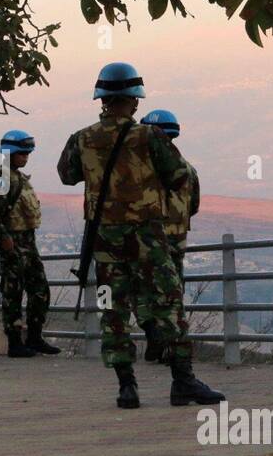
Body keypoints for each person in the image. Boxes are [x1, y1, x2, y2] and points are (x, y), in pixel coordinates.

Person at [57, 62, 225, 409]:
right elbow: (180, 175)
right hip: (150, 239)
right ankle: (183, 382)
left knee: (112, 309)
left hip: (104, 241)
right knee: (168, 304)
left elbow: (67, 175)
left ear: (101, 99)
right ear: (134, 101)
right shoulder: (150, 137)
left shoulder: (82, 138)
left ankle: (127, 387)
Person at [0, 130, 59, 358]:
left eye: (27, 153)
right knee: (12, 292)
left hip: (27, 241)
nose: (26, 157)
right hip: (12, 242)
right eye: (22, 153)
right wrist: (4, 237)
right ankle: (15, 342)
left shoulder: (18, 177)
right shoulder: (0, 177)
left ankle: (34, 337)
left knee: (40, 290)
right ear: (10, 153)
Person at [139, 110, 200, 378]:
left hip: (146, 240)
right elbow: (193, 206)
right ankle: (172, 348)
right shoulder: (187, 169)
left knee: (142, 289)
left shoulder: (140, 171)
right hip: (176, 240)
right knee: (173, 295)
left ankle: (154, 335)